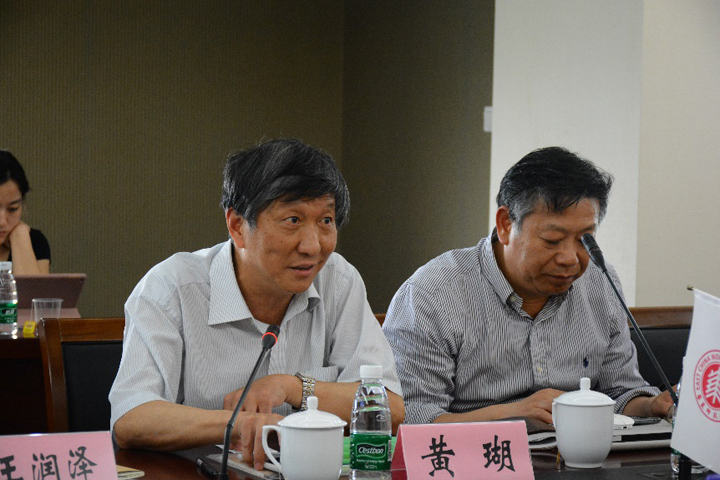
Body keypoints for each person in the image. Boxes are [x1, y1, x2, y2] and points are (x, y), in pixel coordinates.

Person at [110, 139, 404, 470]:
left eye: (326, 220)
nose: (312, 246)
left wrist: (293, 387)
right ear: (237, 226)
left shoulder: (339, 280)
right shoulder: (171, 287)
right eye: (292, 220)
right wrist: (238, 423)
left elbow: (389, 409)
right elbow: (131, 418)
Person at [382, 146, 673, 426]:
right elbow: (411, 419)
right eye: (552, 240)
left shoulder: (600, 283)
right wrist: (512, 415)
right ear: (505, 224)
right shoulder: (432, 295)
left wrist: (653, 405)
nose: (570, 259)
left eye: (585, 239)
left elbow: (620, 395)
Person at [0, 150, 50, 274]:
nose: (2, 222)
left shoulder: (34, 241)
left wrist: (20, 237)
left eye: (13, 209)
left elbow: (36, 287)